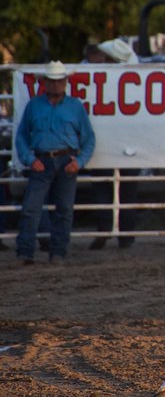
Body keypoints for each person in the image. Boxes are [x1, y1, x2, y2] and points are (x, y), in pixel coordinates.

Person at [14, 61, 96, 265]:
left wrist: (79, 161)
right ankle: (26, 252)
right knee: (32, 208)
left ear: (65, 82)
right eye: (52, 81)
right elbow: (22, 136)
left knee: (64, 209)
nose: (56, 85)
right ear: (45, 82)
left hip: (66, 160)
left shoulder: (75, 106)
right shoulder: (35, 105)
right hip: (41, 159)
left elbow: (89, 139)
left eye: (60, 81)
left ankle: (57, 252)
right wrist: (30, 159)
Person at [82, 40, 139, 249]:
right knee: (104, 189)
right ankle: (109, 232)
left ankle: (123, 234)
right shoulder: (94, 77)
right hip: (108, 143)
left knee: (123, 190)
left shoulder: (134, 80)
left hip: (124, 143)